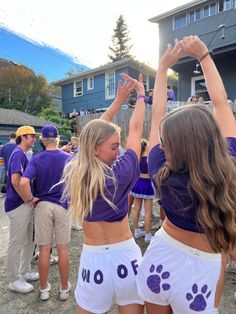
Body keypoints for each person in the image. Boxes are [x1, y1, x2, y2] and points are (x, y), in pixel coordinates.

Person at [136, 36, 236, 314]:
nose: (163, 146)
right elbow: (220, 104)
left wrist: (162, 68)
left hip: (160, 258)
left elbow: (156, 116)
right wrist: (203, 55)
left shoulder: (160, 167)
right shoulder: (228, 167)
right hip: (201, 270)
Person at [60, 73, 146, 314]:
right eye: (114, 146)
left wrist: (117, 102)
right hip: (126, 257)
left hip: (94, 260)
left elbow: (92, 135)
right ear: (96, 148)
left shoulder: (76, 172)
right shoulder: (121, 174)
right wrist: (140, 95)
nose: (118, 152)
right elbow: (137, 127)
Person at [19, 125, 71, 301]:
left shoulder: (36, 158)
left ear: (42, 140)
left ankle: (43, 289)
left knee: (44, 249)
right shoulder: (68, 158)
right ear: (57, 139)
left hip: (42, 205)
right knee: (63, 248)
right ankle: (64, 289)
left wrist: (29, 199)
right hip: (62, 205)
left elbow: (24, 182)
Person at [5, 126, 39, 294]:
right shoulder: (18, 153)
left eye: (34, 136)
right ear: (22, 137)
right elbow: (15, 181)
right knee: (17, 241)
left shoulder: (22, 154)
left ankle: (24, 271)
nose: (34, 139)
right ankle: (13, 279)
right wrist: (29, 199)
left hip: (23, 204)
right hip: (18, 204)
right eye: (30, 136)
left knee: (29, 239)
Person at [130, 139, 155, 244]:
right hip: (147, 185)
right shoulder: (148, 158)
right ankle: (147, 235)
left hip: (137, 184)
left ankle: (136, 231)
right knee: (148, 212)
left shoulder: (136, 157)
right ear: (145, 147)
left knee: (136, 210)